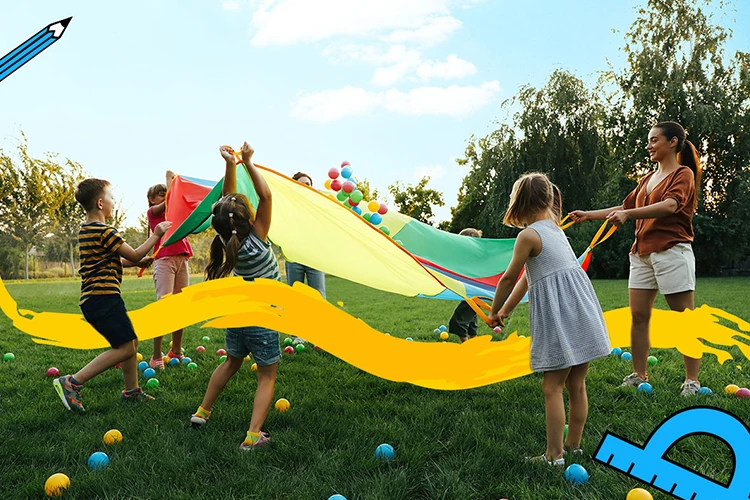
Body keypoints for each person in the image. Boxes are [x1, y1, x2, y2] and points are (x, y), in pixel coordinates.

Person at [570, 121, 702, 396]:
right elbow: (626, 207)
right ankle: (638, 374)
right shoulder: (647, 179)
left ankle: (692, 380)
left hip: (671, 251)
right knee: (639, 317)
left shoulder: (683, 174)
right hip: (641, 254)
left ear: (673, 142)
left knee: (683, 318)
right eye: (649, 140)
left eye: (655, 140)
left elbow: (670, 205)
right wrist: (588, 214)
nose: (649, 145)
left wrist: (629, 215)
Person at [489, 173, 610, 466]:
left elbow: (507, 279)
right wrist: (507, 310)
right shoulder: (555, 231)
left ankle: (554, 456)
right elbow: (529, 278)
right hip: (583, 313)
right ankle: (573, 446)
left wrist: (493, 310)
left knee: (552, 387)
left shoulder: (528, 236)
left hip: (562, 318)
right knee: (577, 384)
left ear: (519, 203)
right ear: (547, 199)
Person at [190, 142, 280, 451]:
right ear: (247, 218)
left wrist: (231, 165)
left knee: (231, 362)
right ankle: (253, 436)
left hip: (237, 313)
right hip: (262, 315)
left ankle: (202, 412)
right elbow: (266, 195)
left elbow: (225, 205)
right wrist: (249, 162)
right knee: (266, 377)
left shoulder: (226, 240)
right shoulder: (257, 239)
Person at [53, 178, 171, 412]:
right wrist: (156, 234)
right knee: (126, 348)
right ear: (100, 203)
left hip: (96, 299)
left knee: (131, 342)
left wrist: (136, 261)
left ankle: (131, 391)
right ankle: (72, 382)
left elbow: (117, 259)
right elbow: (135, 254)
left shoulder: (87, 231)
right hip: (103, 297)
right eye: (111, 198)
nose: (114, 203)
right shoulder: (105, 231)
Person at [145, 170, 193, 369]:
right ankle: (156, 356)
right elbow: (169, 201)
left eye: (167, 192)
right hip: (164, 261)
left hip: (182, 259)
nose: (166, 196)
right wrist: (170, 183)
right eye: (161, 194)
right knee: (163, 308)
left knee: (180, 308)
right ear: (151, 199)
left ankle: (176, 351)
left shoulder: (175, 210)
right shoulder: (153, 213)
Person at [285, 171, 327, 344]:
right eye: (301, 183)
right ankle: (298, 334)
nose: (305, 186)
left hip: (314, 257)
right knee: (296, 296)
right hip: (294, 256)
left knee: (318, 295)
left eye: (308, 184)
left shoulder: (316, 206)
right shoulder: (287, 206)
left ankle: (320, 333)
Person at [448, 228, 483, 342]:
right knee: (471, 318)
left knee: (458, 319)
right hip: (474, 293)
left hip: (475, 293)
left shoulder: (475, 257)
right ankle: (474, 343)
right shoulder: (471, 256)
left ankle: (467, 345)